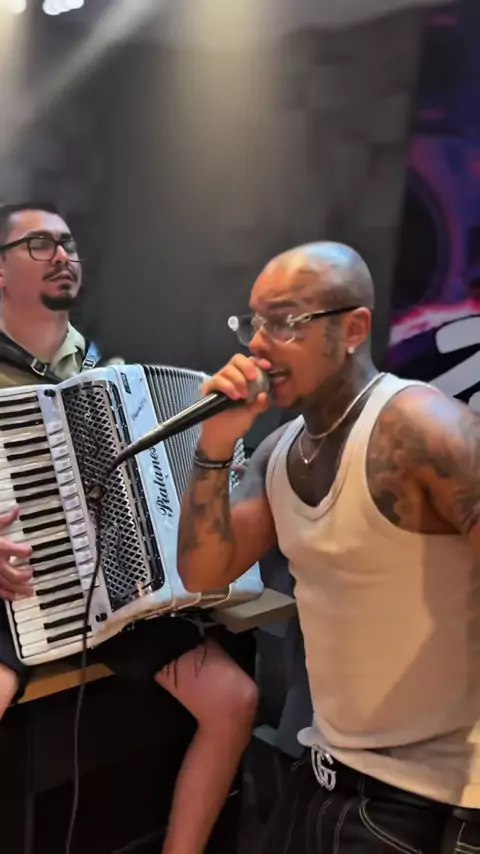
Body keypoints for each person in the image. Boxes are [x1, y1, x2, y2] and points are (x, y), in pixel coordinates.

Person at [177, 240, 480, 853]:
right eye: (253, 323)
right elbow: (204, 572)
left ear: (353, 329)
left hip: (428, 800)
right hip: (326, 770)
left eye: (285, 322)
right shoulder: (279, 450)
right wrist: (214, 445)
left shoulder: (424, 428)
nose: (258, 345)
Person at [0, 202, 258, 854]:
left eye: (68, 243)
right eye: (39, 244)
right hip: (16, 592)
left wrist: (216, 469)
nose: (62, 255)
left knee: (234, 700)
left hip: (108, 592)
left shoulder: (104, 374)